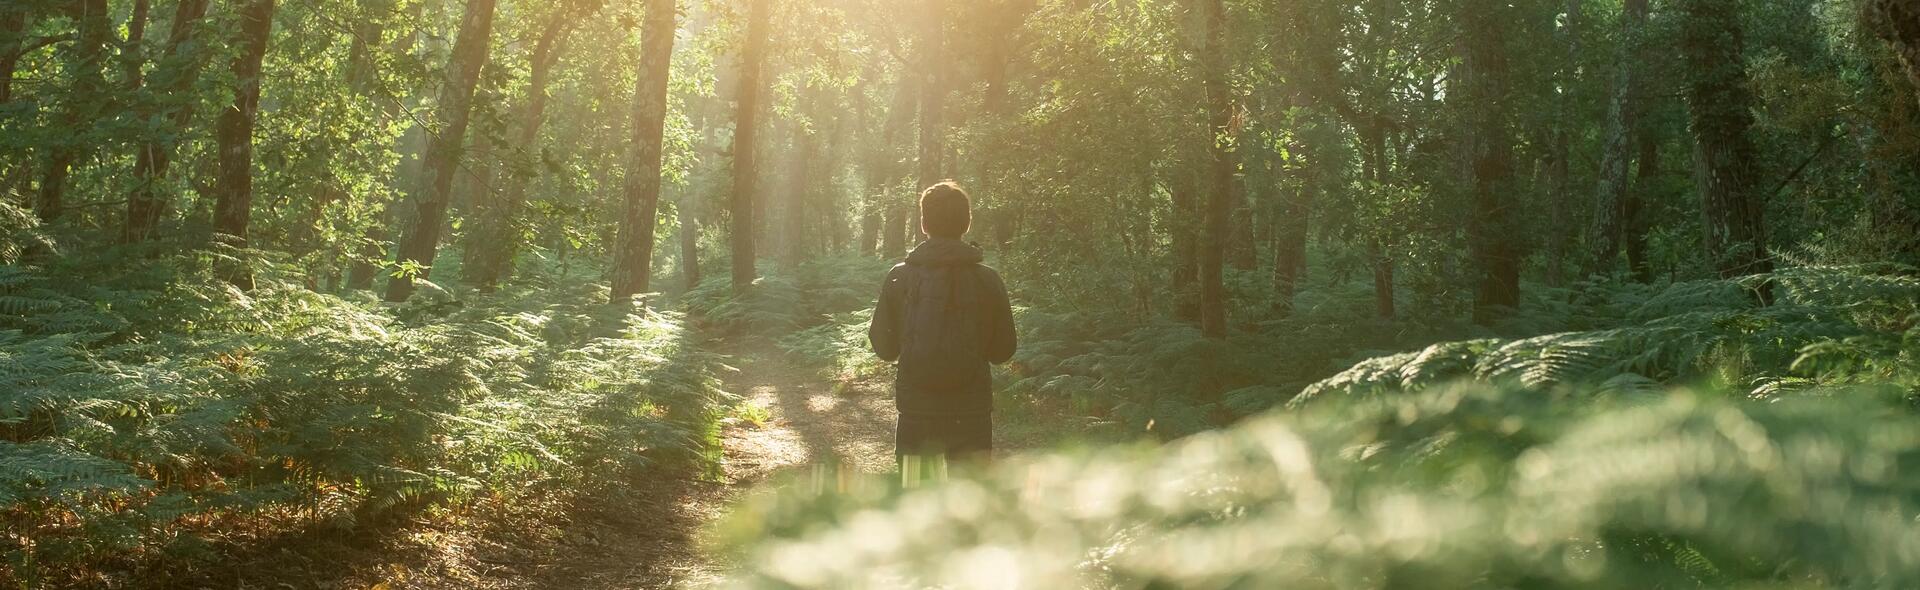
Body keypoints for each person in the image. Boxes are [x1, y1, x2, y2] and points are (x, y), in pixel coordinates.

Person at [869, 181, 1017, 478]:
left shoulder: (900, 277)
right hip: (971, 412)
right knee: (970, 503)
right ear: (967, 222)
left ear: (924, 223)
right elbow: (1003, 350)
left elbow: (884, 348)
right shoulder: (988, 279)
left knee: (915, 499)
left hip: (916, 410)